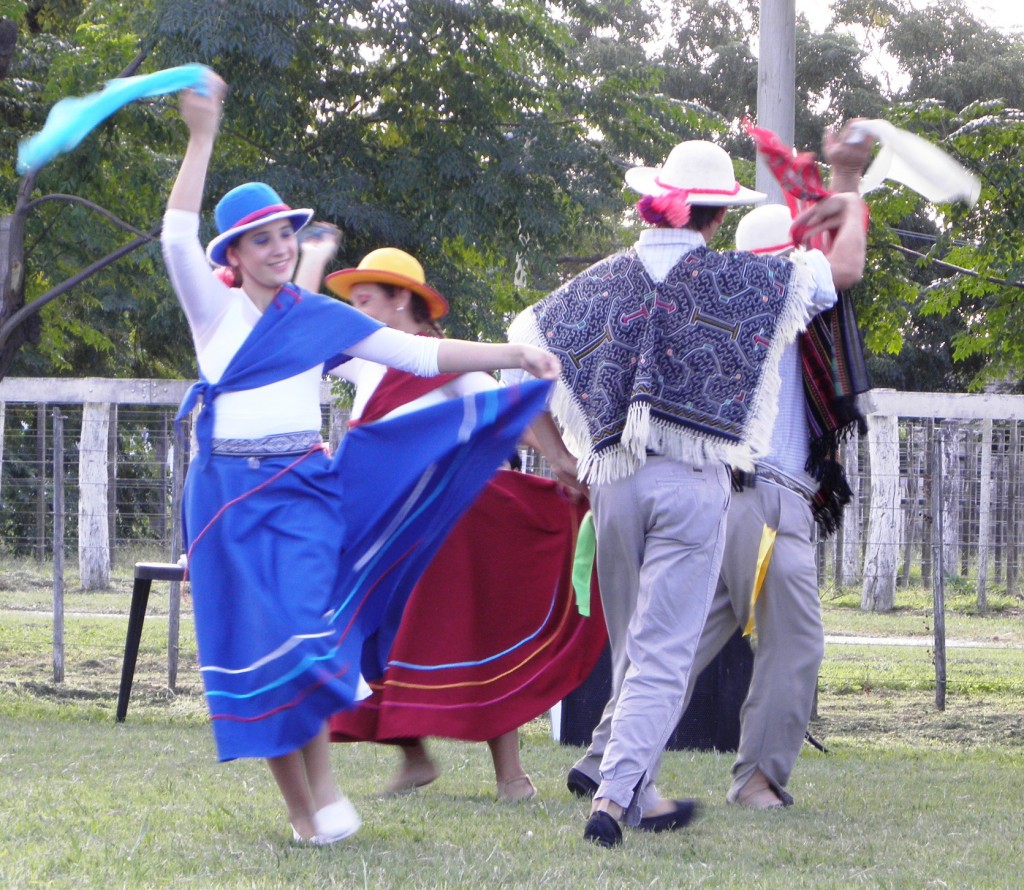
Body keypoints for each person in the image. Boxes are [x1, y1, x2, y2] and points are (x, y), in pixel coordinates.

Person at [161, 72, 560, 846]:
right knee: (262, 649)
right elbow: (175, 233)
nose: (279, 249)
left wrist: (515, 352)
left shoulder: (320, 319)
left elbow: (416, 352)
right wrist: (202, 133)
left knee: (308, 639)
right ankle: (306, 813)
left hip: (304, 489)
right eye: (263, 239)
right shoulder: (213, 312)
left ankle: (326, 790)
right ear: (235, 254)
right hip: (226, 496)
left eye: (287, 236)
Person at [507, 134, 869, 847]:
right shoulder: (744, 283)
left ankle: (631, 789)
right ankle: (612, 800)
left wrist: (561, 458)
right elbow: (847, 263)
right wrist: (849, 182)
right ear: (714, 216)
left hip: (613, 482)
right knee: (665, 654)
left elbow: (520, 367)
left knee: (636, 650)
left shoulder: (601, 283)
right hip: (694, 482)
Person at [287, 242, 605, 802]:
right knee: (372, 638)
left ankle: (512, 776)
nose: (356, 313)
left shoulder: (444, 359)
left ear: (401, 299)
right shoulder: (365, 356)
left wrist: (560, 461)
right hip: (381, 531)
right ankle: (414, 758)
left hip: (448, 527)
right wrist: (308, 260)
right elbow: (300, 327)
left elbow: (514, 412)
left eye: (366, 301)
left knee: (475, 636)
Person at [665, 130, 874, 810]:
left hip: (720, 499)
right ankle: (757, 780)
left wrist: (843, 180)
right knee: (795, 648)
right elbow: (846, 259)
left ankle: (608, 754)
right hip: (767, 500)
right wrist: (847, 173)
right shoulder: (784, 298)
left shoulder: (723, 298)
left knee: (681, 640)